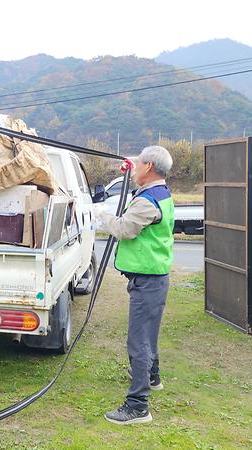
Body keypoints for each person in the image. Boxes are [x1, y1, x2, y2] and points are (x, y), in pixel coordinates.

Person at [95, 145, 174, 425]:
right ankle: (152, 377)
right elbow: (140, 191)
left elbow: (124, 229)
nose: (136, 166)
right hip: (155, 276)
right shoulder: (159, 193)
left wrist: (100, 215)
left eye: (139, 163)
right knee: (148, 334)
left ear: (149, 167)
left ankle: (138, 405)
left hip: (148, 279)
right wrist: (131, 168)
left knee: (138, 340)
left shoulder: (147, 200)